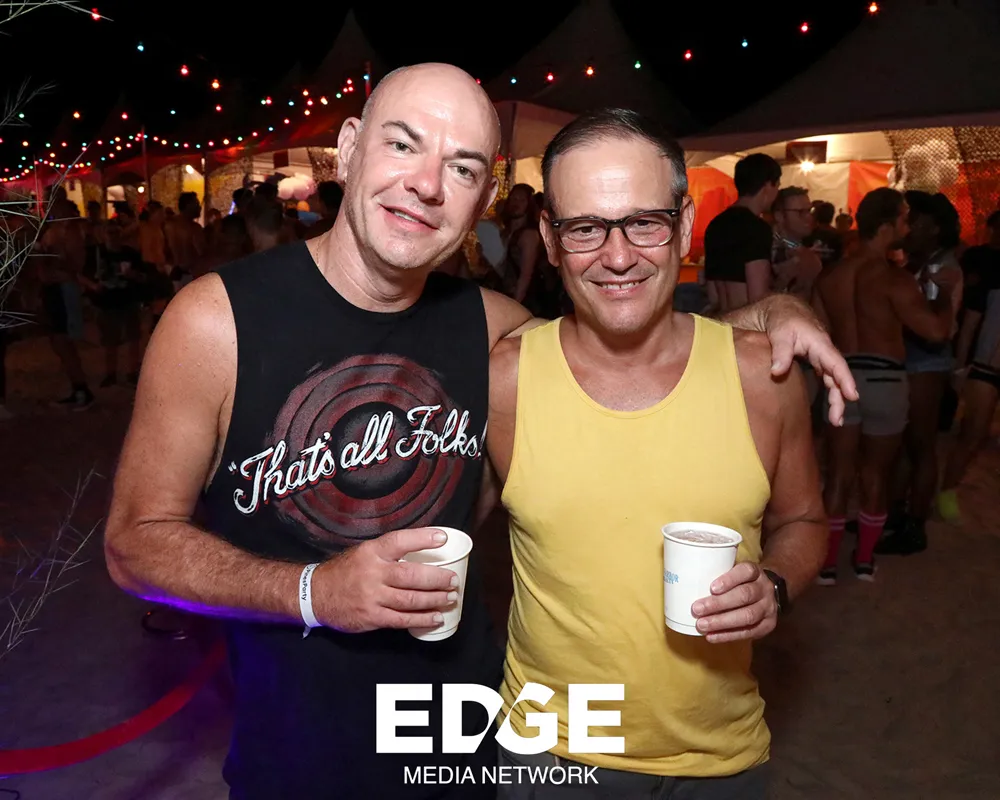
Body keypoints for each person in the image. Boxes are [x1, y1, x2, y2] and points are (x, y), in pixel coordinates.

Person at [104, 64, 853, 800]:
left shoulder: (492, 330)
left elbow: (633, 343)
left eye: (461, 168)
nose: (427, 184)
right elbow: (135, 543)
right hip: (300, 758)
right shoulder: (217, 322)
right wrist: (312, 592)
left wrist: (772, 315)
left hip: (469, 750)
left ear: (483, 199)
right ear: (350, 148)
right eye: (403, 145)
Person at [486, 109, 828, 800]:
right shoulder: (504, 381)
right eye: (585, 228)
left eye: (644, 222)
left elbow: (806, 521)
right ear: (549, 238)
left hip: (722, 762)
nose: (618, 257)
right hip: (552, 757)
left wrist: (775, 585)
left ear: (684, 224)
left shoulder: (762, 378)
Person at [813, 188, 957, 583]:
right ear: (886, 226)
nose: (908, 227)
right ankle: (863, 561)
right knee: (875, 474)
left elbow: (818, 334)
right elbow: (936, 331)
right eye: (904, 220)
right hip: (885, 380)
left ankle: (827, 564)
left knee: (838, 474)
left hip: (841, 379)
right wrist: (945, 295)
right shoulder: (895, 280)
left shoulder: (830, 277)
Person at [879, 191, 963, 555]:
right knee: (903, 443)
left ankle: (915, 525)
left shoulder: (943, 266)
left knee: (921, 443)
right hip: (911, 357)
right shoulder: (919, 262)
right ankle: (895, 515)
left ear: (936, 228)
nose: (910, 227)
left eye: (917, 221)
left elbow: (937, 325)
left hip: (927, 359)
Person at [938, 210, 1000, 521]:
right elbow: (972, 320)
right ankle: (946, 491)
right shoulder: (988, 265)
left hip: (986, 362)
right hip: (986, 364)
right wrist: (960, 365)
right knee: (972, 434)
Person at [703, 153, 781, 313]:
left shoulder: (715, 225)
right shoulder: (757, 228)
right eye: (777, 186)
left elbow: (713, 296)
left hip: (721, 319)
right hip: (744, 321)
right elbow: (758, 298)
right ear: (768, 186)